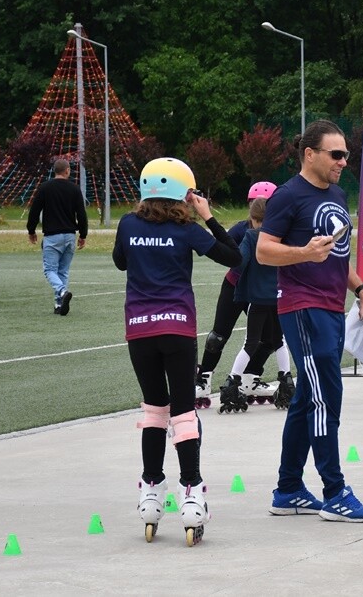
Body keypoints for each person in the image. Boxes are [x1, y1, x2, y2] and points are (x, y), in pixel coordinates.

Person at [256, 119, 363, 522]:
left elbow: (335, 255)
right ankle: (335, 493)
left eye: (346, 154)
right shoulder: (287, 197)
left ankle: (289, 488)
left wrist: (360, 290)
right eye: (336, 154)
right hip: (302, 306)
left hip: (330, 306)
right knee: (327, 394)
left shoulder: (337, 193)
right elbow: (263, 251)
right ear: (309, 154)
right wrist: (303, 253)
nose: (344, 161)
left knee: (307, 398)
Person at [112, 157, 242, 546]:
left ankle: (151, 492)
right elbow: (235, 257)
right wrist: (208, 217)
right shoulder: (186, 228)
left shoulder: (128, 224)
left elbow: (121, 262)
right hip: (178, 328)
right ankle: (191, 493)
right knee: (184, 412)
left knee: (154, 409)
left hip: (139, 329)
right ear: (185, 194)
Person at [195, 181, 293, 409]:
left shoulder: (278, 232)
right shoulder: (241, 230)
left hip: (258, 292)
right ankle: (204, 379)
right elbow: (229, 255)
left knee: (269, 339)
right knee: (218, 335)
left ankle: (249, 377)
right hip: (235, 287)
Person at [26, 158, 88, 315]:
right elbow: (81, 214)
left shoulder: (45, 188)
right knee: (63, 271)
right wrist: (83, 234)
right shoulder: (74, 189)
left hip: (52, 236)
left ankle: (61, 292)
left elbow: (34, 211)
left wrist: (31, 230)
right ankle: (59, 305)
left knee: (49, 270)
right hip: (69, 235)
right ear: (67, 170)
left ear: (55, 171)